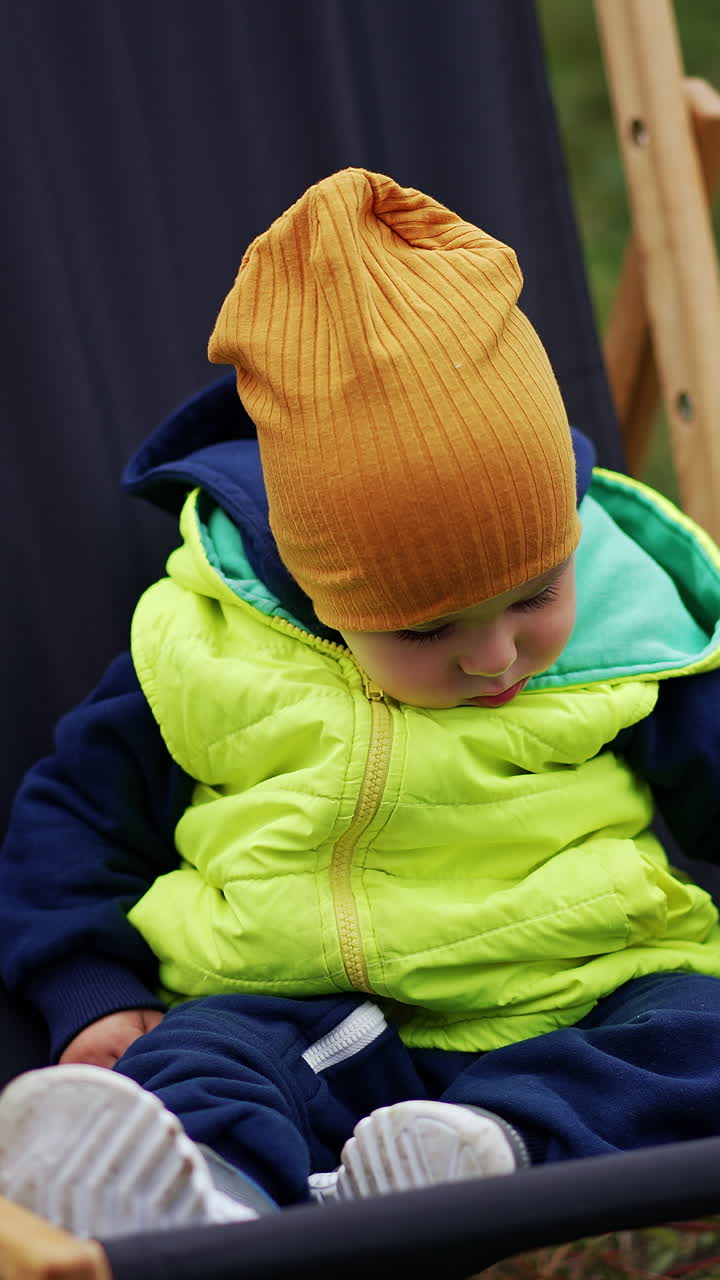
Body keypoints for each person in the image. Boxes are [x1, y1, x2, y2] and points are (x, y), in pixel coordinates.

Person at [3, 167, 720, 1241]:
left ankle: (492, 1150)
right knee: (201, 1055)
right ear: (324, 592)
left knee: (696, 1035)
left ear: (566, 535)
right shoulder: (213, 645)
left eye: (535, 594)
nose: (494, 656)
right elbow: (78, 811)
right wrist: (88, 982)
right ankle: (198, 1187)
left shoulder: (629, 627)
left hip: (584, 993)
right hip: (304, 1005)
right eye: (425, 628)